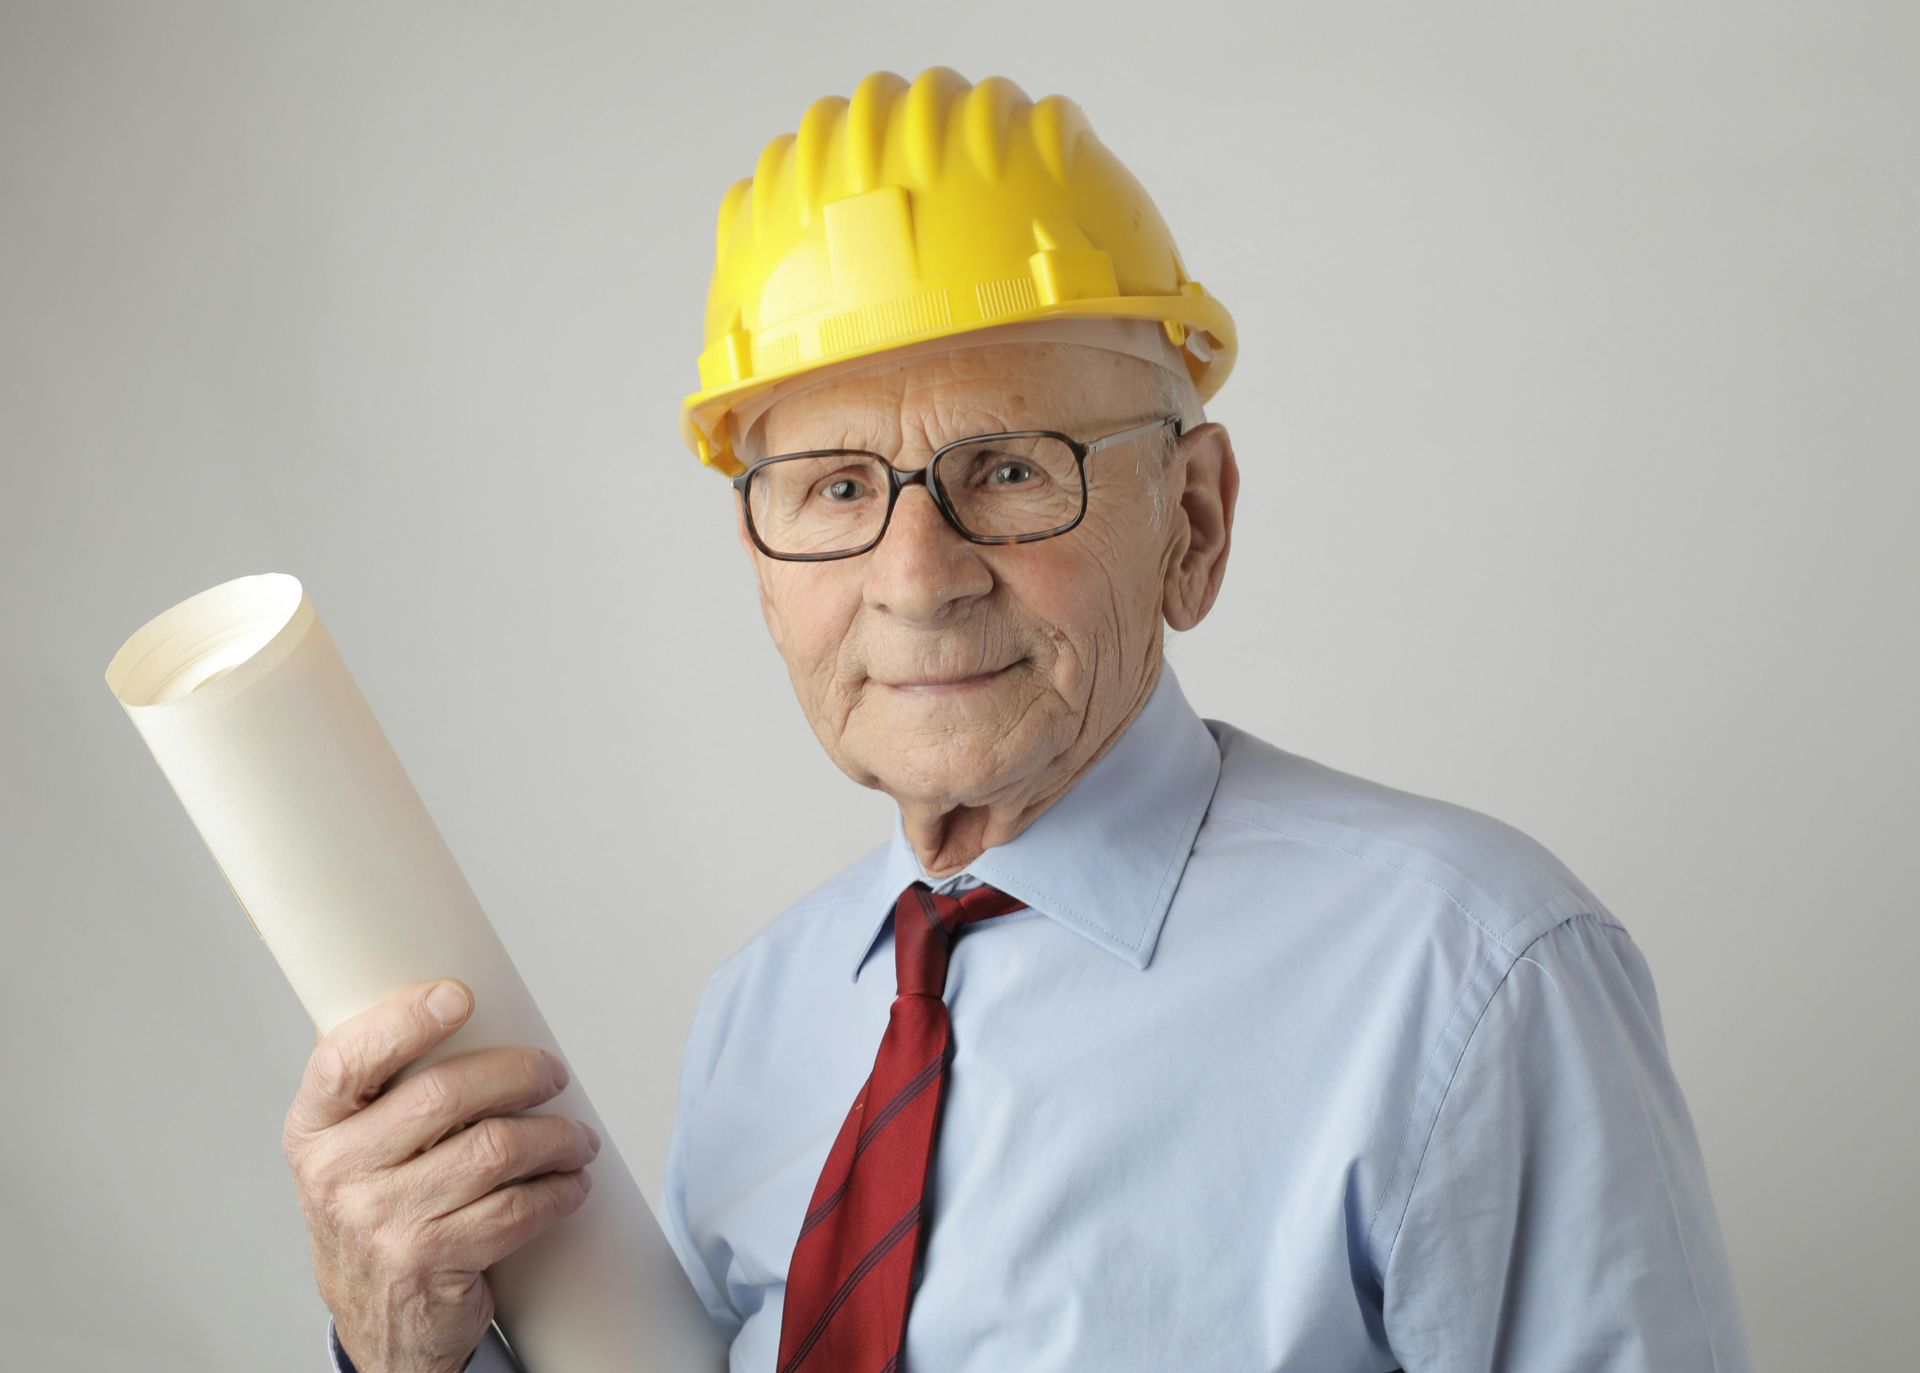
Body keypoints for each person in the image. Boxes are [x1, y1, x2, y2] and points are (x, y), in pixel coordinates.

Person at [288, 66, 1754, 1372]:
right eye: (839, 490)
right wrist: (406, 1354)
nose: (915, 580)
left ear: (1193, 519)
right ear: (760, 568)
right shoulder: (765, 1014)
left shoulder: (1474, 977)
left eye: (1008, 469)